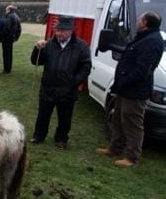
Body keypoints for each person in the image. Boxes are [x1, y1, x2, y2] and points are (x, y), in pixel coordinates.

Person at [96, 11, 164, 167]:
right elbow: (130, 54)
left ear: (145, 23)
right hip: (125, 89)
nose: (137, 21)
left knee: (133, 124)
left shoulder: (152, 42)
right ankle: (114, 149)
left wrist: (124, 82)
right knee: (119, 120)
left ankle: (132, 157)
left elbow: (143, 70)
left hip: (135, 91)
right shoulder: (143, 37)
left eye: (140, 19)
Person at [29, 16, 92, 149]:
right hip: (48, 87)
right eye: (57, 30)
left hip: (68, 90)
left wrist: (74, 82)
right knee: (43, 115)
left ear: (70, 31)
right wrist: (37, 49)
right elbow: (36, 62)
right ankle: (39, 135)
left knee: (65, 118)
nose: (59, 33)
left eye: (62, 31)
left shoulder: (81, 46)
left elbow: (86, 67)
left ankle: (61, 139)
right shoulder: (49, 44)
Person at [2, 5, 22, 74]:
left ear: (9, 10)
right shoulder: (16, 16)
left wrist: (3, 36)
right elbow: (19, 29)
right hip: (11, 37)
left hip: (7, 38)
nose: (5, 11)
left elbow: (7, 27)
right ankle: (8, 68)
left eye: (6, 10)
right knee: (9, 54)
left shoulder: (10, 16)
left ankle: (6, 69)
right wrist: (16, 37)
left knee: (6, 54)